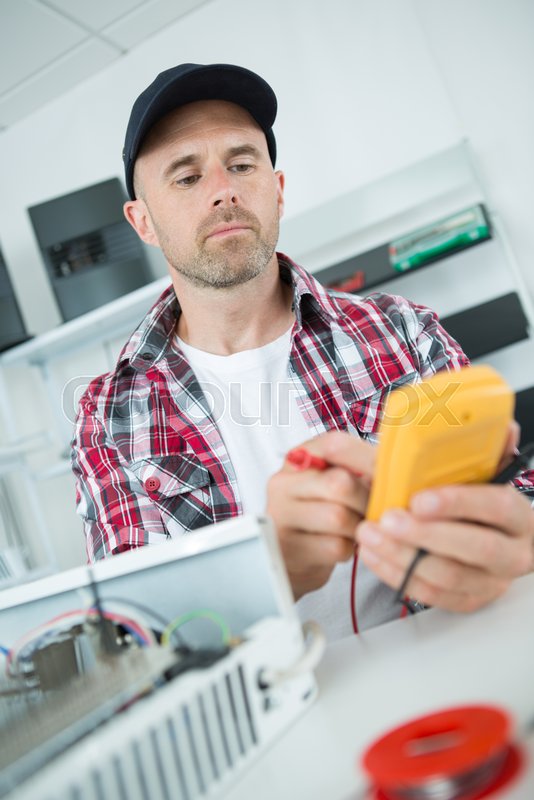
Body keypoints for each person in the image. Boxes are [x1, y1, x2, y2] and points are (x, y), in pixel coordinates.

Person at [71, 63, 534, 640]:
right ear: (144, 222)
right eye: (186, 178)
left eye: (242, 163)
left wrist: (513, 531)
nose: (224, 189)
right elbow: (135, 633)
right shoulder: (107, 415)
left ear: (278, 190)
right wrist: (273, 569)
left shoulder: (404, 333)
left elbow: (515, 498)